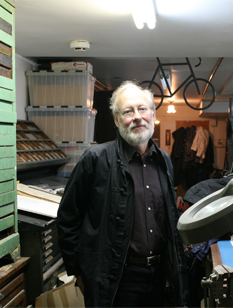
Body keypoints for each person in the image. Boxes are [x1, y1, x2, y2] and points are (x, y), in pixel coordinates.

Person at [56, 81, 189, 307]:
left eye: (142, 109)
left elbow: (167, 216)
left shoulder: (164, 161)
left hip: (159, 276)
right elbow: (68, 218)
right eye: (128, 111)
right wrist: (79, 272)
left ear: (152, 115)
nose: (137, 117)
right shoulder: (95, 160)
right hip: (116, 279)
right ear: (117, 121)